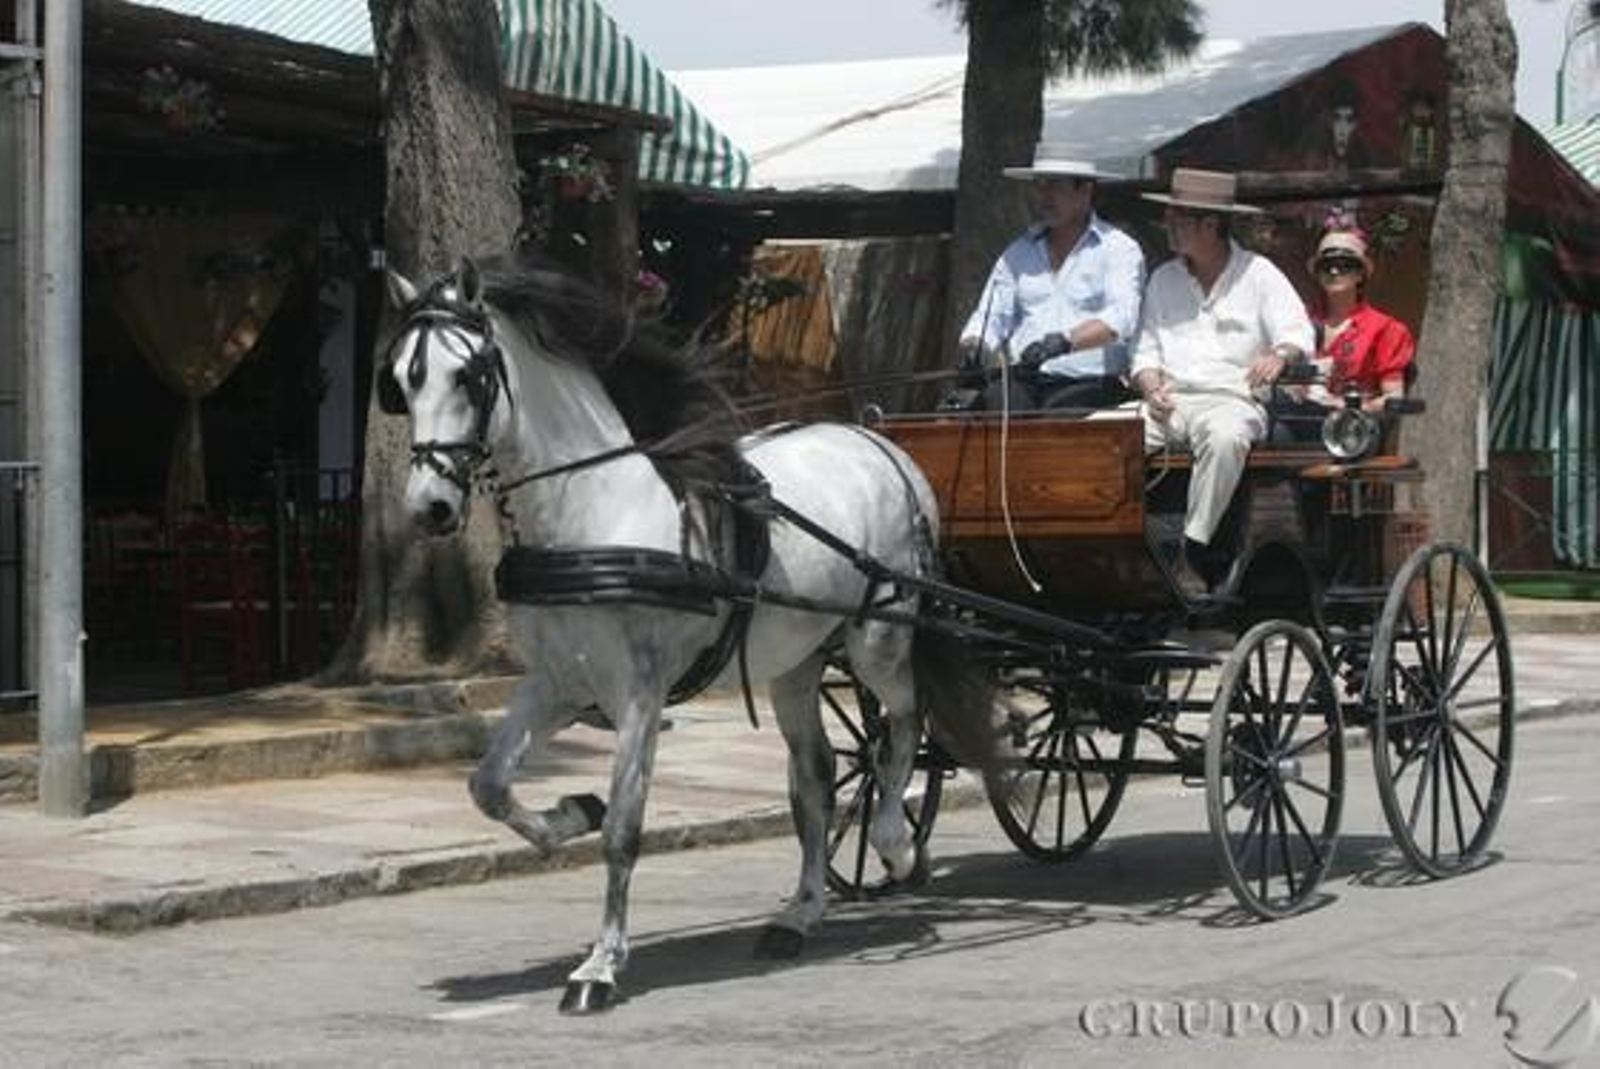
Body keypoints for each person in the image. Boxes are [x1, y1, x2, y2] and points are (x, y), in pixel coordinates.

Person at [1129, 168, 1315, 594]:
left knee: (1226, 437)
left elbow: (1297, 333)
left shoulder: (1259, 274)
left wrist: (1279, 355)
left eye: (1177, 219)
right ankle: (1107, 546)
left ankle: (1190, 553)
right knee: (1099, 436)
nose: (1168, 227)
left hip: (1232, 399)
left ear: (1210, 224)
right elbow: (1144, 351)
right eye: (1169, 217)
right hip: (1169, 402)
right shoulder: (1164, 279)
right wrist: (1149, 383)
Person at [957, 143, 1145, 411]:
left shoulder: (1119, 249)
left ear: (1086, 190)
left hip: (1091, 382)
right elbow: (992, 316)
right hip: (1026, 380)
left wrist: (1066, 341)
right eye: (1040, 185)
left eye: (1056, 186)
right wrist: (975, 348)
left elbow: (1122, 316)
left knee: (1059, 416)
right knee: (987, 408)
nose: (1045, 196)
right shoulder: (1017, 253)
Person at [1271, 228, 1416, 442]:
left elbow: (1393, 397)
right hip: (1296, 417)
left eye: (1345, 265)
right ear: (1317, 273)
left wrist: (1347, 404)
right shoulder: (1298, 321)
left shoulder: (1386, 328)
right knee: (1270, 429)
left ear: (1361, 274)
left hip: (1350, 430)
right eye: (1326, 265)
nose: (1334, 271)